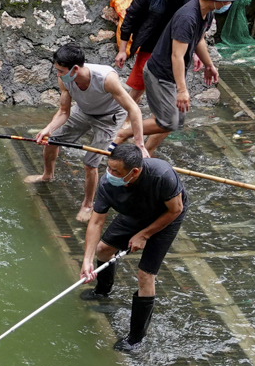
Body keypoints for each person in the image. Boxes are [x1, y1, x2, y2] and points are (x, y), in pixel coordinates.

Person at [79, 143, 186, 354]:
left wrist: (145, 234)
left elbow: (176, 209)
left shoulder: (162, 176)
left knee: (145, 275)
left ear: (134, 171)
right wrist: (87, 259)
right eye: (109, 168)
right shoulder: (107, 184)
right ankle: (102, 290)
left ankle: (136, 338)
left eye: (116, 171)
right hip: (134, 214)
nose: (110, 174)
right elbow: (96, 222)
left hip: (165, 217)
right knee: (103, 250)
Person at [24, 44, 148, 223]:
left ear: (75, 68)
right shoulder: (64, 79)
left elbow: (133, 109)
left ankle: (88, 204)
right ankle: (47, 175)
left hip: (109, 117)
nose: (57, 74)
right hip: (82, 111)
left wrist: (140, 145)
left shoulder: (106, 78)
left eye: (60, 71)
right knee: (52, 140)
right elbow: (64, 111)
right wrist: (48, 129)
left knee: (90, 162)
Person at [118, 0, 239, 153]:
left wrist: (209, 64)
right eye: (227, 0)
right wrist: (182, 90)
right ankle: (124, 134)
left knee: (176, 120)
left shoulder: (206, 13)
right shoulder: (187, 18)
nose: (228, 4)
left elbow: (198, 40)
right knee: (168, 121)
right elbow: (177, 56)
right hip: (160, 74)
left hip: (172, 74)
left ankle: (146, 154)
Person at [114, 0, 211, 92]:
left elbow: (201, 24)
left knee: (171, 88)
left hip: (180, 44)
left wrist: (197, 52)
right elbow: (130, 20)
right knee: (139, 86)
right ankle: (129, 113)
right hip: (151, 44)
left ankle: (157, 114)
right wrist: (123, 51)